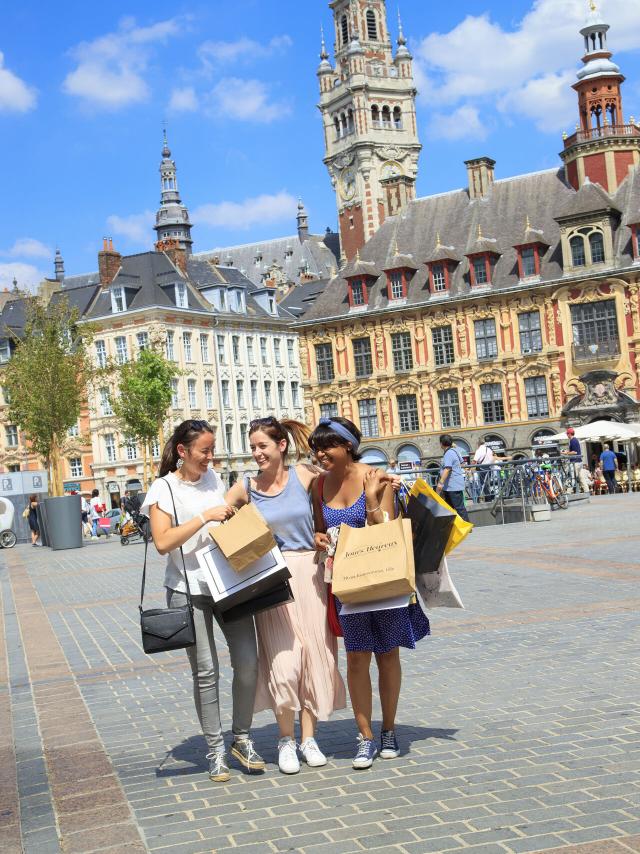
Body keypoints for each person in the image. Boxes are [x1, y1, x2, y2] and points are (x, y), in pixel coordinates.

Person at [142, 420, 264, 783]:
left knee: (248, 663)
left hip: (228, 583)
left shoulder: (214, 479)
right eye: (204, 451)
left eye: (212, 450)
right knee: (206, 671)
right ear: (183, 452)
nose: (211, 457)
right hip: (187, 587)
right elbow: (163, 542)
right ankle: (216, 750)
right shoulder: (163, 489)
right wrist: (204, 516)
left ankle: (242, 738)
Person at [226, 417, 346, 775]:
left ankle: (309, 739)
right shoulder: (245, 487)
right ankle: (284, 740)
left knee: (314, 657)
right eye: (252, 447)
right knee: (284, 662)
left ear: (281, 446)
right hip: (272, 580)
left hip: (309, 573)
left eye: (262, 446)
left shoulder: (306, 475)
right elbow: (220, 516)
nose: (257, 453)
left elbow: (343, 479)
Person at [310, 416, 430, 770]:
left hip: (383, 581)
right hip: (347, 585)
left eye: (326, 447)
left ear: (347, 446)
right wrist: (319, 539)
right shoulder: (318, 487)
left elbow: (389, 530)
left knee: (388, 655)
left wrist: (372, 499)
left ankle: (388, 730)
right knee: (357, 657)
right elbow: (320, 529)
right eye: (316, 448)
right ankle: (364, 738)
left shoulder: (375, 477)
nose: (320, 454)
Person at [436, 435, 471, 522]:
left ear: (441, 444)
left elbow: (447, 468)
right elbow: (462, 463)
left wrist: (440, 483)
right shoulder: (454, 451)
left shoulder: (449, 453)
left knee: (458, 507)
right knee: (450, 507)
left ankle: (466, 525)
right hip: (452, 485)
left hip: (452, 485)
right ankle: (454, 526)